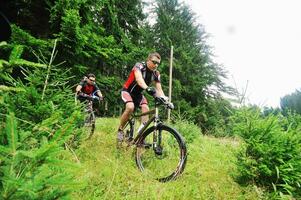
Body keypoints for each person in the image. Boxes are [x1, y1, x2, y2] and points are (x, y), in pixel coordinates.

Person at [117, 52, 168, 144]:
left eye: (158, 63)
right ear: (148, 60)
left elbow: (159, 89)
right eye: (154, 62)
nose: (156, 65)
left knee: (146, 108)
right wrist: (147, 88)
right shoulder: (139, 66)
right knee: (130, 107)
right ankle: (120, 130)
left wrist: (165, 99)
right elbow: (139, 80)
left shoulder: (156, 73)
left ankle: (141, 135)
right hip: (127, 91)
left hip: (138, 94)